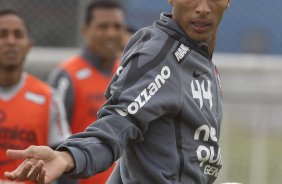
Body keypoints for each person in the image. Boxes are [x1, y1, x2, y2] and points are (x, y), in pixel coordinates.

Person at [4, 0, 231, 183]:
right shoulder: (159, 57)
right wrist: (68, 156)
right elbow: (118, 122)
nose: (202, 7)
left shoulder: (201, 61)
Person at [47, 1, 126, 183]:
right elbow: (55, 143)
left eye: (117, 27)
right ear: (85, 30)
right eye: (103, 26)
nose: (111, 33)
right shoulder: (67, 75)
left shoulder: (128, 73)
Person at [0, 9, 71, 183]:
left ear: (29, 45)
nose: (10, 41)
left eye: (18, 35)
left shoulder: (49, 97)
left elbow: (61, 157)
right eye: (2, 34)